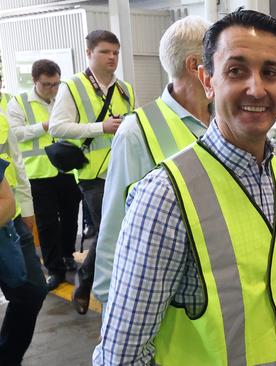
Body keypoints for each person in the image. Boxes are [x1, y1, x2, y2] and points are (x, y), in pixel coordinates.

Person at [93, 10, 276, 365]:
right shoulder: (164, 196)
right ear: (207, 79)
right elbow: (124, 351)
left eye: (270, 73)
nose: (256, 88)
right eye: (236, 71)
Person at [92, 16, 212, 306]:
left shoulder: (225, 120)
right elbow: (116, 221)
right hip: (166, 294)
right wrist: (111, 299)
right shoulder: (137, 132)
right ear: (195, 65)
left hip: (217, 284)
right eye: (221, 56)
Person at [50, 29, 135, 314]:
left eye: (115, 52)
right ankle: (89, 283)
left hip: (124, 169)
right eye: (105, 52)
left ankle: (110, 282)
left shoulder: (124, 88)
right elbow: (58, 126)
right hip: (92, 175)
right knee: (110, 230)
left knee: (122, 229)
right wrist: (100, 127)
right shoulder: (72, 86)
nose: (112, 58)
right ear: (89, 53)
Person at [7, 59, 82, 291]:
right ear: (35, 81)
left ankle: (68, 255)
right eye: (47, 85)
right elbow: (15, 134)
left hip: (66, 169)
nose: (53, 89)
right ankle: (55, 269)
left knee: (71, 215)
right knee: (48, 224)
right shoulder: (19, 103)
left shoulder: (64, 97)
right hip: (38, 174)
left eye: (57, 83)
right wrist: (44, 126)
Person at [0, 115, 47, 366]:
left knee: (32, 291)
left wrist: (26, 208)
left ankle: (8, 358)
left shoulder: (0, 118)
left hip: (11, 220)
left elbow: (15, 161)